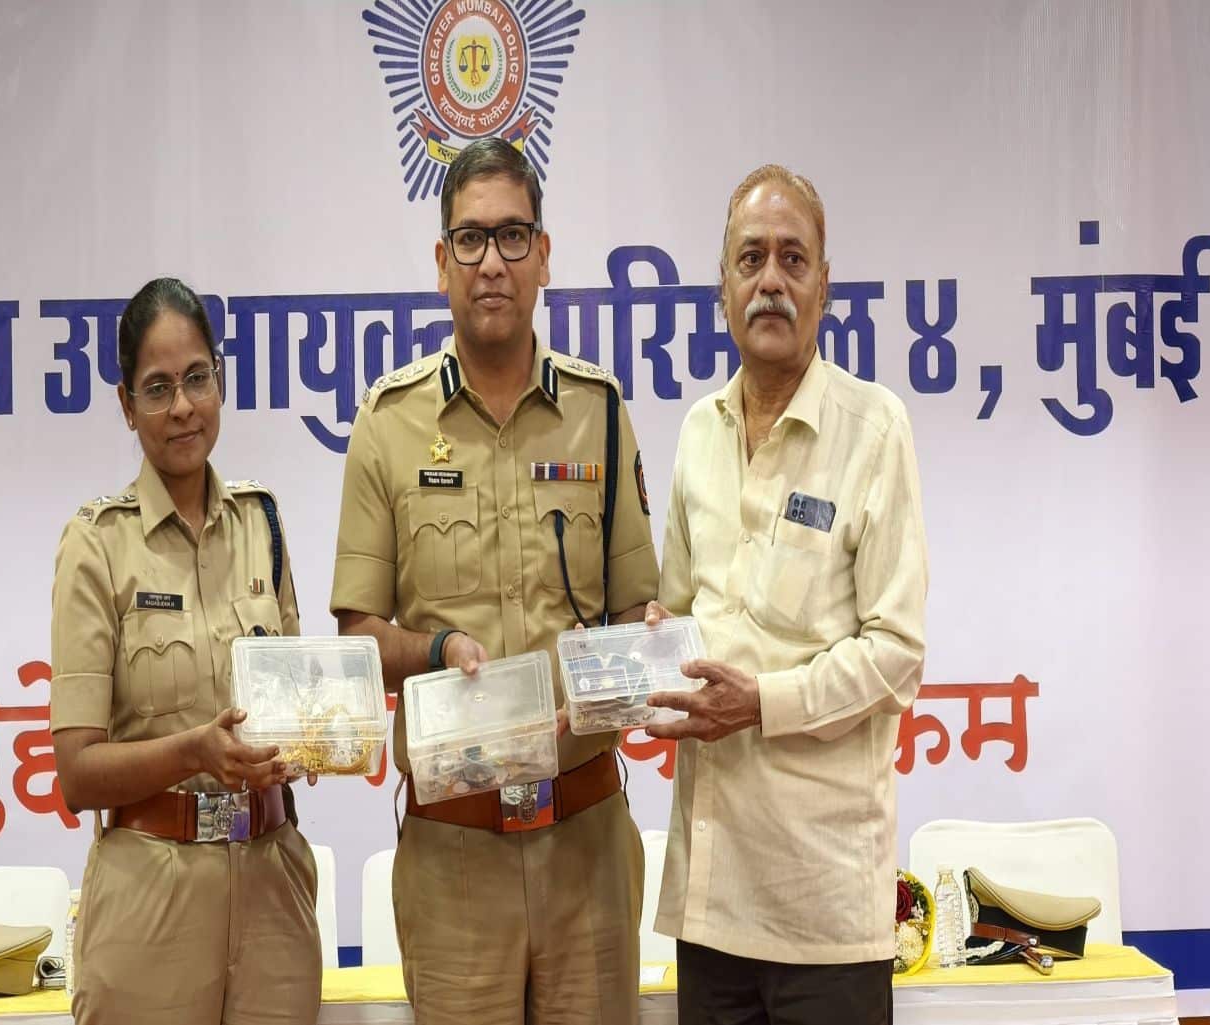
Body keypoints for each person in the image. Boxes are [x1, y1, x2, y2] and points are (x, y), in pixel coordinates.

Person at [331, 138, 659, 1024]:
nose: (492, 263)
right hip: (455, 858)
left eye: (513, 236)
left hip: (588, 841)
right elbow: (358, 639)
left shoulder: (599, 411)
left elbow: (639, 609)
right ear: (441, 262)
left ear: (544, 256)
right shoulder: (388, 422)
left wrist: (633, 662)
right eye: (470, 239)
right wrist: (436, 647)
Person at [645, 165, 929, 1025]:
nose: (771, 279)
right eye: (751, 258)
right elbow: (676, 612)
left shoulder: (874, 429)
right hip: (712, 904)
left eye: (793, 259)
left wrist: (762, 702)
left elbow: (896, 654)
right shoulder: (698, 432)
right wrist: (650, 647)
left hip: (826, 913)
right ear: (723, 288)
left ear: (824, 287)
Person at [50, 277, 322, 1025]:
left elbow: (295, 703)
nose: (182, 406)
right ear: (125, 403)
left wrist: (317, 740)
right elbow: (77, 774)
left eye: (198, 377)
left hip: (272, 887)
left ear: (220, 380)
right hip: (150, 899)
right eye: (158, 387)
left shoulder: (262, 521)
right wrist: (195, 751)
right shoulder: (97, 545)